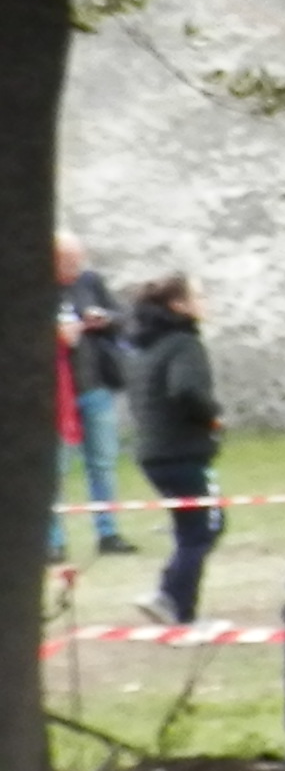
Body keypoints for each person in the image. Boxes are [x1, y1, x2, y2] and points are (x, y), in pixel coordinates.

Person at [119, 274, 223, 627]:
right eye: (199, 296)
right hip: (181, 452)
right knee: (203, 529)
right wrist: (213, 416)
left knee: (193, 527)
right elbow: (187, 389)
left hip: (153, 453)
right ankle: (177, 605)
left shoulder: (148, 347)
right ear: (179, 305)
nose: (205, 302)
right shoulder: (184, 344)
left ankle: (169, 595)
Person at [56, 234, 133, 558]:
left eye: (78, 261)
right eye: (68, 263)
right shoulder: (32, 290)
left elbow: (123, 319)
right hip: (56, 394)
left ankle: (108, 532)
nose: (76, 268)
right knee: (55, 468)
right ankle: (53, 541)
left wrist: (104, 319)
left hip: (95, 386)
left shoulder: (90, 283)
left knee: (102, 462)